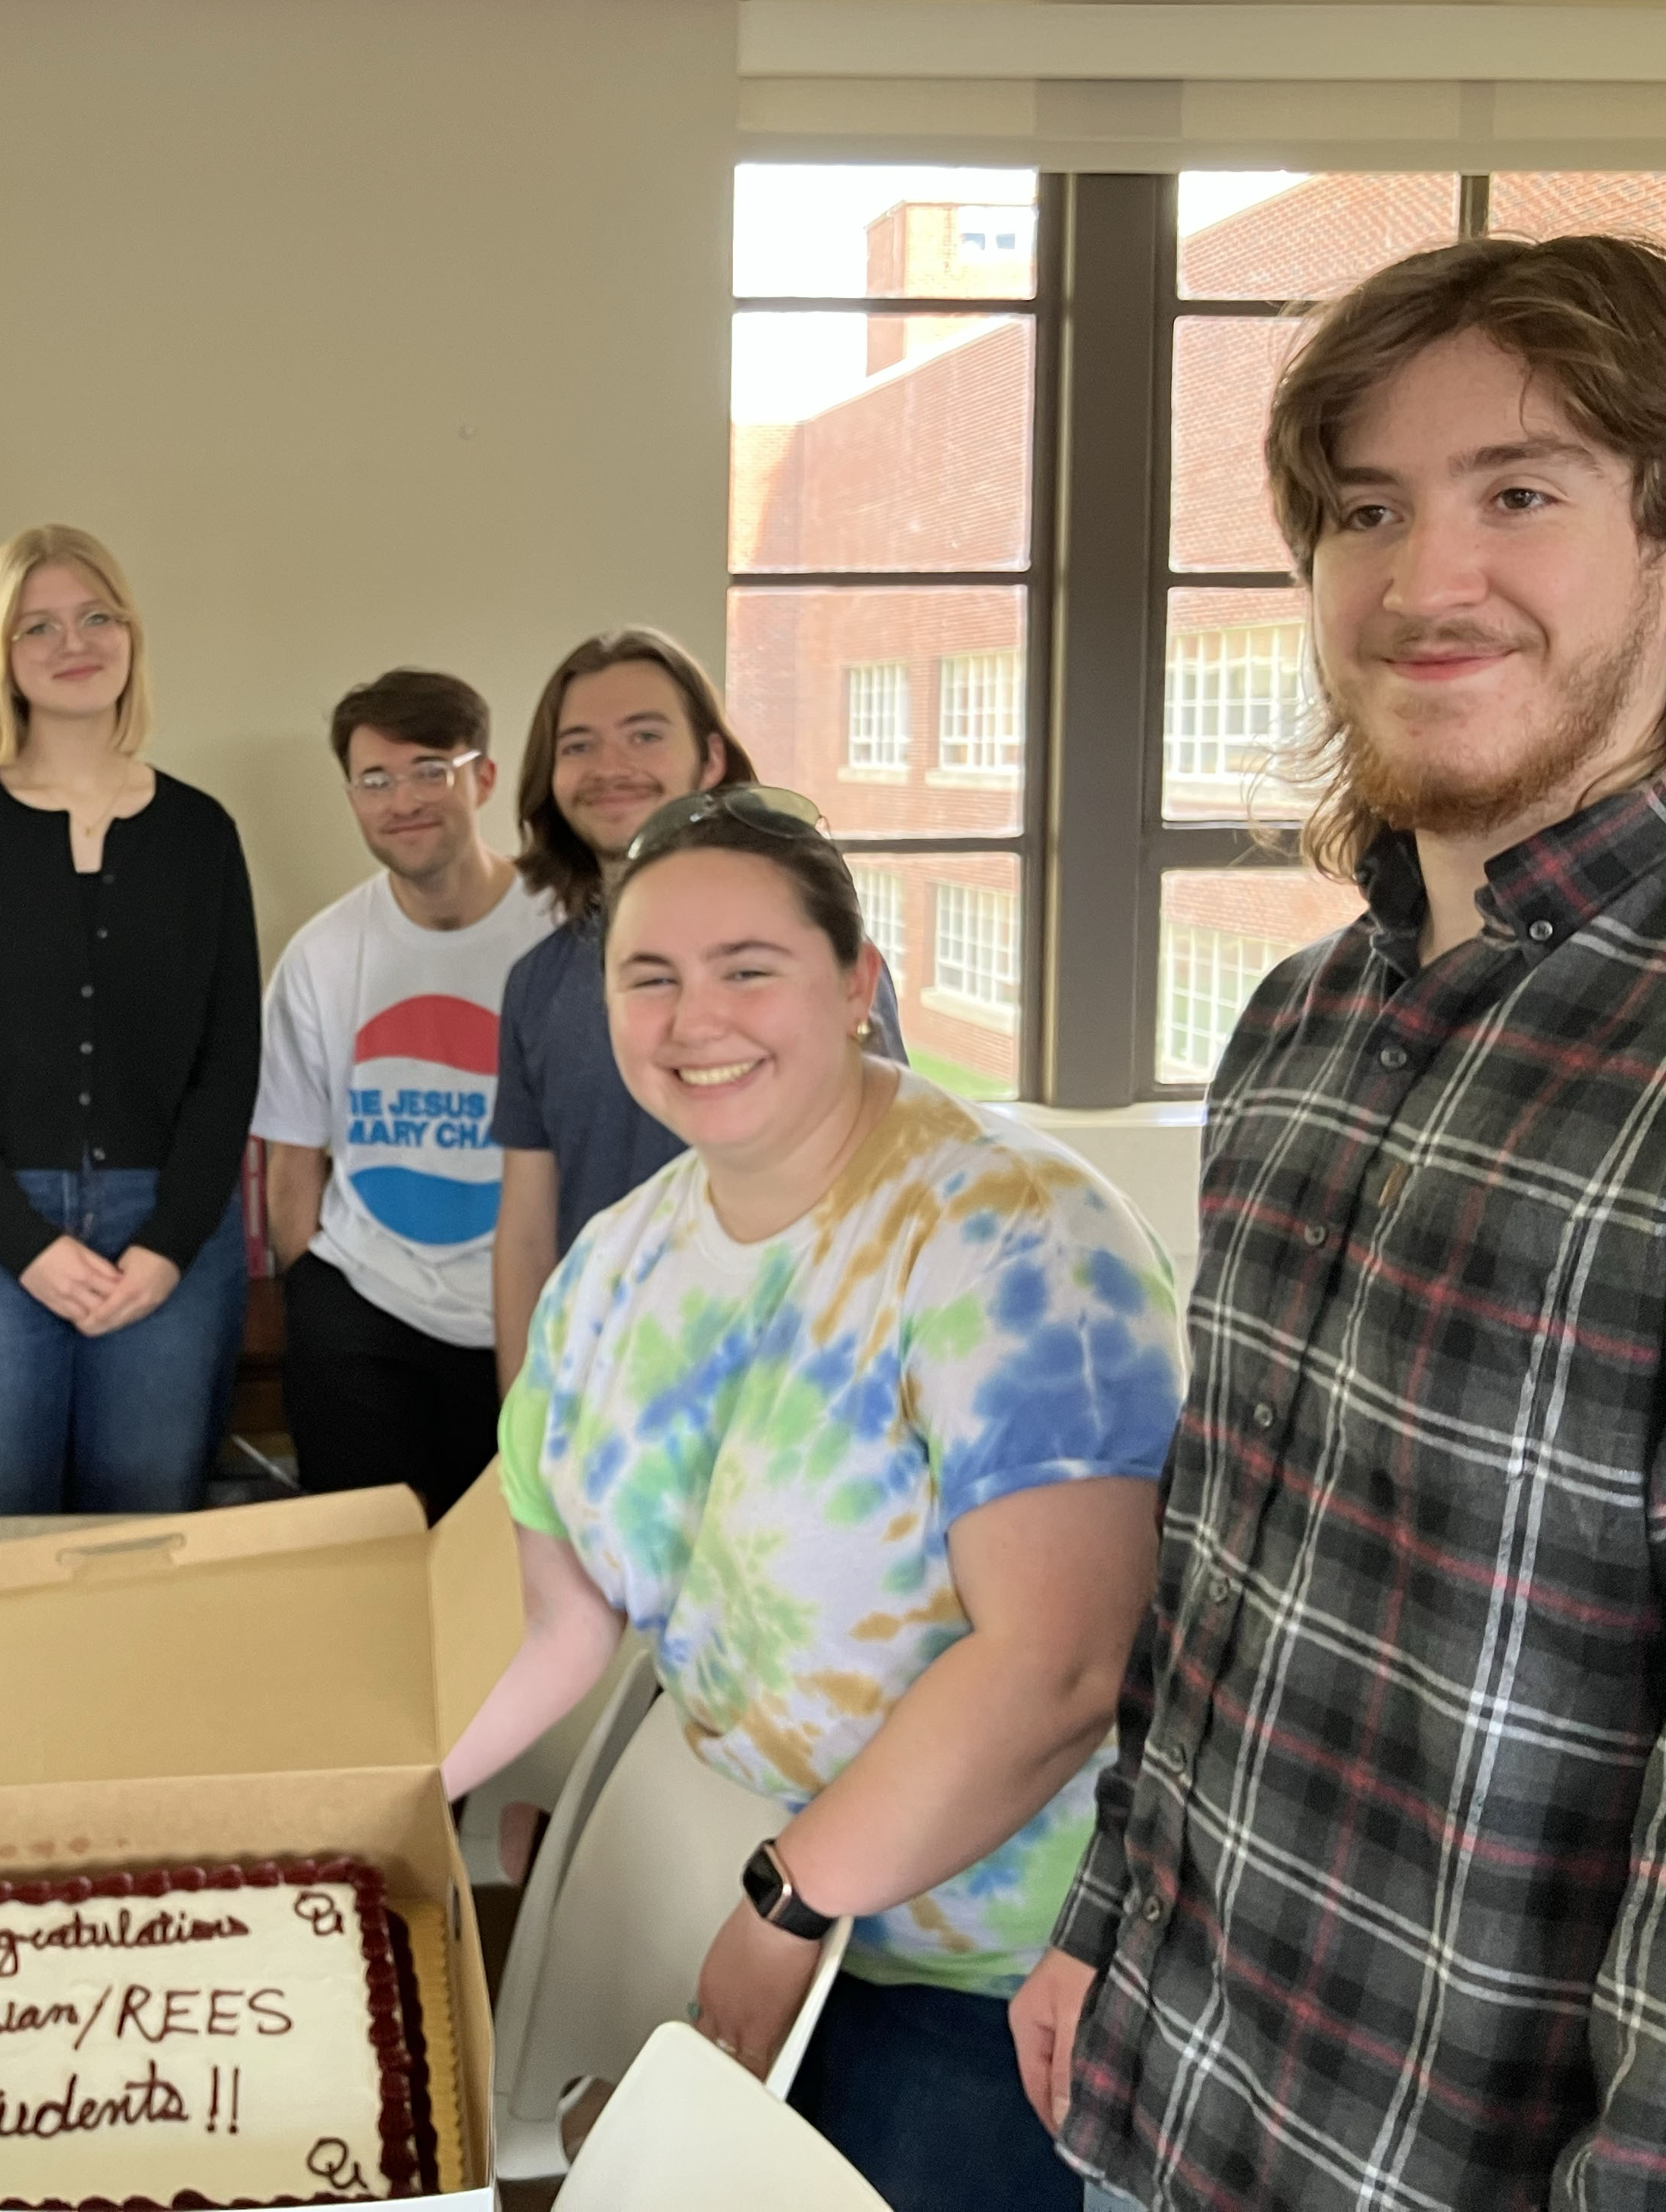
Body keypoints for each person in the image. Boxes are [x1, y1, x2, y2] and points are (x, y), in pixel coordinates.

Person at [1009, 236, 1666, 2212]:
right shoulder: (1296, 1031)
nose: (1422, 577)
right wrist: (1100, 1923)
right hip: (1175, 2099)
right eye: (1365, 512)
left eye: (1519, 493)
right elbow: (1219, 1572)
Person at [445, 791, 1182, 2212]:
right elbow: (557, 1626)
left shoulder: (1016, 1235)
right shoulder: (615, 1262)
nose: (692, 1016)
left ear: (855, 983)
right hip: (716, 1891)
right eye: (645, 976)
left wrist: (794, 1899)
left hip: (980, 1962)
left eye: (746, 967)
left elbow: (1060, 1665)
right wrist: (380, 1805)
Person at [0, 524, 257, 1515]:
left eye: (96, 616)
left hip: (167, 1229)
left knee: (146, 1539)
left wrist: (170, 1243)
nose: (71, 642)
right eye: (35, 625)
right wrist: (24, 1242)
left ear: (132, 637)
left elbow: (230, 1057)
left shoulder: (199, 833)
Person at [490, 628, 905, 1392]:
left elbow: (886, 1180)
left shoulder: (813, 958)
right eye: (578, 745)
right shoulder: (534, 986)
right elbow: (525, 1235)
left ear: (710, 759)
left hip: (801, 1386)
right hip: (607, 1392)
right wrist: (522, 1419)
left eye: (644, 735)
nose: (611, 767)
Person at [252, 669, 554, 1517]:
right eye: (374, 781)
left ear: (483, 778)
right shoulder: (319, 955)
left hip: (537, 1315)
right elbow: (290, 1159)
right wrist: (311, 1292)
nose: (402, 801)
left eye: (430, 769)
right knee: (364, 1582)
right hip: (366, 1319)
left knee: (520, 1588)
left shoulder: (569, 935)